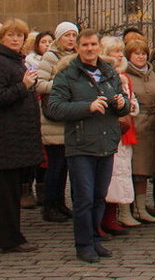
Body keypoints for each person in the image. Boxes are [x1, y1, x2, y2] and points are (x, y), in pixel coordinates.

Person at [46, 29, 130, 262]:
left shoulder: (109, 71)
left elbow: (121, 106)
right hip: (81, 144)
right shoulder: (67, 74)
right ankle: (83, 244)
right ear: (78, 48)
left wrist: (121, 104)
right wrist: (87, 107)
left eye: (93, 44)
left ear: (98, 47)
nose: (90, 49)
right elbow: (54, 108)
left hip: (106, 141)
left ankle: (95, 238)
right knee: (84, 197)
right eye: (85, 45)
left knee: (99, 195)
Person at [0, 18, 42, 253]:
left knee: (8, 187)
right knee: (7, 189)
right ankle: (8, 236)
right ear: (2, 38)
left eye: (20, 36)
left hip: (18, 131)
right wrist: (23, 85)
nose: (15, 40)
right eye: (11, 36)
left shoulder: (14, 60)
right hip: (8, 133)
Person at [34, 21, 78, 224]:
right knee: (55, 165)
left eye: (73, 35)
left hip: (69, 118)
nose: (70, 39)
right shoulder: (50, 56)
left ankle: (60, 203)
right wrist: (63, 87)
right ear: (59, 38)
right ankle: (49, 205)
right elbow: (39, 84)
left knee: (65, 167)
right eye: (67, 35)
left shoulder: (74, 57)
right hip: (53, 120)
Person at [100, 37, 140, 231]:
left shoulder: (124, 76)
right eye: (115, 51)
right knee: (109, 176)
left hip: (125, 130)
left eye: (120, 51)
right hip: (110, 130)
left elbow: (133, 101)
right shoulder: (104, 75)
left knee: (121, 174)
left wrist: (131, 105)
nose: (119, 55)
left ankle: (114, 216)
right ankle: (105, 217)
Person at [123, 36, 155, 223]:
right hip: (134, 125)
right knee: (131, 170)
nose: (140, 57)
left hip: (151, 126)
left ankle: (140, 207)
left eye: (143, 53)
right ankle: (127, 209)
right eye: (136, 54)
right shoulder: (125, 74)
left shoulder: (151, 72)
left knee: (145, 170)